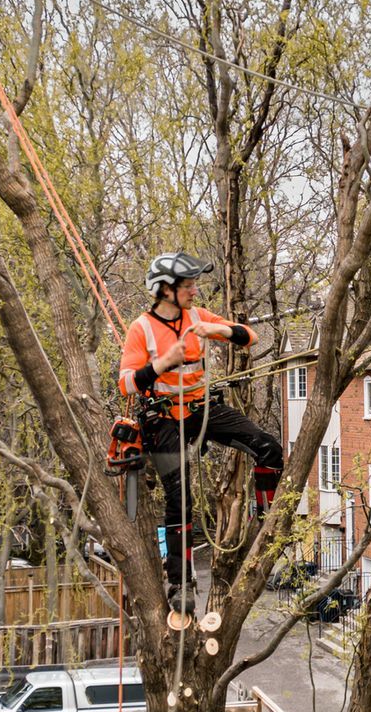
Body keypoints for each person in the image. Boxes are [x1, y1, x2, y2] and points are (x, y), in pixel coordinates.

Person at [117, 252, 284, 601]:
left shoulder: (197, 317)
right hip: (162, 420)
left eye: (194, 284)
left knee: (268, 446)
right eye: (188, 286)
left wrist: (218, 329)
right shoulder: (142, 329)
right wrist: (163, 363)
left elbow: (249, 337)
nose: (194, 291)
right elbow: (127, 384)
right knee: (179, 497)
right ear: (165, 290)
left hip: (200, 409)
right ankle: (181, 583)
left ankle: (269, 524)